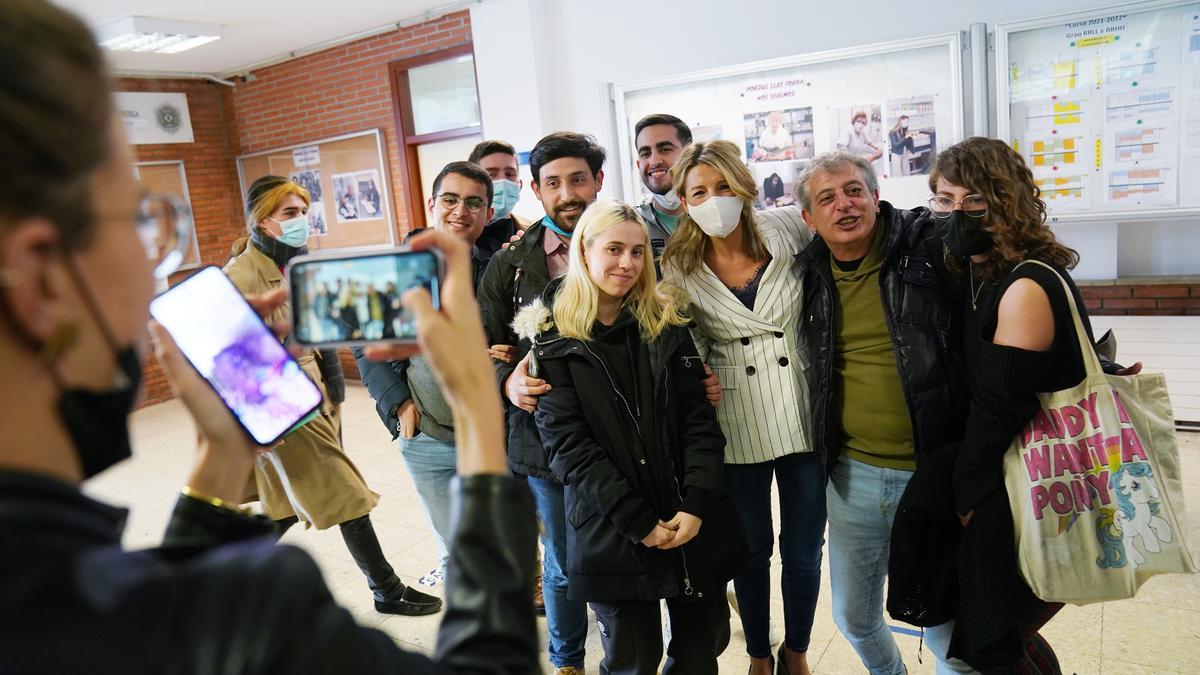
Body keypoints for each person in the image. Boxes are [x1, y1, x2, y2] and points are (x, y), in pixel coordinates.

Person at [0, 1, 537, 671]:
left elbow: (153, 618)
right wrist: (481, 419)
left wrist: (219, 458)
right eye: (141, 221)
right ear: (43, 281)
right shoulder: (256, 617)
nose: (153, 259)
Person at [897, 137, 1141, 673]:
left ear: (1006, 202)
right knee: (1002, 635)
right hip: (1009, 478)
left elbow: (998, 408)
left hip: (1024, 485)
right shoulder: (982, 275)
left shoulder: (1024, 285)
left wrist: (967, 496)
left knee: (994, 636)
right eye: (944, 200)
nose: (956, 213)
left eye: (973, 202)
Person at [521, 200, 746, 674]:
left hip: (688, 519)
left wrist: (698, 502)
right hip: (612, 530)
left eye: (639, 251)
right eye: (614, 249)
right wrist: (635, 520)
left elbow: (698, 421)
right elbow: (569, 449)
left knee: (700, 652)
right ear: (584, 251)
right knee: (632, 661)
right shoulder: (551, 337)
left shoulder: (665, 324)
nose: (627, 263)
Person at [226, 175, 443, 616]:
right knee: (346, 493)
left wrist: (337, 391)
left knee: (284, 505)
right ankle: (386, 589)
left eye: (303, 212)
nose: (300, 221)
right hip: (282, 405)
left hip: (316, 395)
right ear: (263, 220)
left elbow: (320, 333)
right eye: (290, 213)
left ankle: (226, 582)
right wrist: (260, 420)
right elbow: (233, 361)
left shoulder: (297, 264)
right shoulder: (240, 276)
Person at [795, 150, 969, 675]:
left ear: (876, 195)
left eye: (854, 190)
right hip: (852, 476)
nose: (843, 205)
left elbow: (1006, 286)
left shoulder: (929, 247)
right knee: (852, 616)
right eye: (826, 198)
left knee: (948, 627)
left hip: (936, 470)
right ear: (808, 217)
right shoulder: (806, 275)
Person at [660, 140, 822, 675]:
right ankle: (759, 652)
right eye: (699, 192)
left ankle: (796, 648)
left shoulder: (785, 229)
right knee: (751, 551)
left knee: (802, 551)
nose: (714, 200)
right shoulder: (678, 265)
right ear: (683, 202)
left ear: (745, 186)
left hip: (802, 409)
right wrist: (700, 373)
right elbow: (687, 341)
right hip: (735, 418)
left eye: (724, 186)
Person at [477, 131, 608, 675]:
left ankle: (628, 645)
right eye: (553, 183)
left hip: (622, 431)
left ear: (598, 181)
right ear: (536, 189)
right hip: (544, 440)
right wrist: (507, 378)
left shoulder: (630, 247)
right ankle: (567, 660)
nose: (567, 193)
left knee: (621, 546)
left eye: (578, 179)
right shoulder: (509, 267)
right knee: (559, 561)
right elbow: (484, 349)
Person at [353, 161, 500, 580]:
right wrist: (399, 405)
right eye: (451, 199)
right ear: (432, 204)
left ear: (488, 214)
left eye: (474, 203)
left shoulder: (499, 271)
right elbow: (366, 345)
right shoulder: (396, 272)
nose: (461, 212)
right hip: (428, 437)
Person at [633, 113, 692, 256]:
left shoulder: (714, 216)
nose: (654, 161)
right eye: (645, 153)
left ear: (689, 154)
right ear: (638, 164)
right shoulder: (633, 225)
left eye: (665, 149)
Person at [470, 140, 528, 258]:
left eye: (510, 174)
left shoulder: (536, 233)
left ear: (520, 184)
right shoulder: (453, 239)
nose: (503, 182)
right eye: (491, 174)